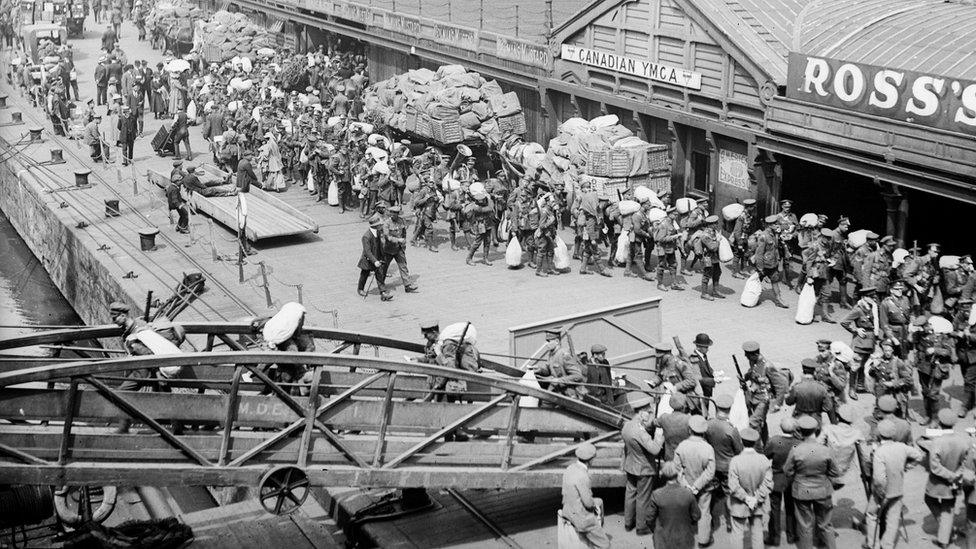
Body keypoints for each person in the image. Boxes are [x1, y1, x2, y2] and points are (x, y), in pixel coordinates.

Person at [784, 415, 841, 549]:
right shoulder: (826, 450)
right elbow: (835, 472)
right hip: (823, 490)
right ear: (816, 430)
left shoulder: (796, 450)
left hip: (802, 491)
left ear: (800, 431)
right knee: (826, 524)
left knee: (805, 526)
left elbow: (787, 471)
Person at [867, 419, 923, 549]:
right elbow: (919, 456)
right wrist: (908, 466)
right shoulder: (902, 447)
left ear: (880, 435)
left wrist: (879, 492)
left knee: (872, 516)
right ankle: (887, 545)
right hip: (897, 490)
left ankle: (873, 544)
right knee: (892, 519)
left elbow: (879, 478)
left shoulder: (879, 452)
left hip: (882, 492)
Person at [924, 409, 969, 549]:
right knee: (948, 507)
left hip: (937, 482)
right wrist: (956, 475)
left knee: (929, 500)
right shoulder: (963, 440)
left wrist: (950, 476)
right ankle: (945, 534)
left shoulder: (937, 441)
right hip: (955, 483)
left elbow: (935, 467)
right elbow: (965, 463)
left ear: (940, 423)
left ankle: (945, 531)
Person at [621, 396, 664, 536]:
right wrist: (659, 437)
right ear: (641, 413)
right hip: (643, 468)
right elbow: (655, 450)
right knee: (643, 497)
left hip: (630, 465)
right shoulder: (640, 431)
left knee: (630, 493)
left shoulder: (627, 425)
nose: (650, 414)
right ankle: (641, 526)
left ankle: (628, 523)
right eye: (648, 412)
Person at [728, 427, 773, 549]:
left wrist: (746, 498)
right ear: (755, 442)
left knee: (737, 533)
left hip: (739, 504)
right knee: (757, 533)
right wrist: (756, 498)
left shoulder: (735, 461)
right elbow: (768, 483)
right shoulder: (763, 460)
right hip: (757, 504)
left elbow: (733, 485)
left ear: (741, 441)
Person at [674, 415, 716, 546]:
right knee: (704, 511)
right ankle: (703, 540)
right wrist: (697, 486)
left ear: (689, 430)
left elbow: (677, 468)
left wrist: (686, 485)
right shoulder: (708, 448)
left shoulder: (681, 446)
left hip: (685, 486)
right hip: (703, 488)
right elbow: (710, 472)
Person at [704, 393, 743, 533]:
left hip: (713, 464)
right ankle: (729, 523)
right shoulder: (731, 429)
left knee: (712, 492)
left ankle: (712, 521)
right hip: (728, 466)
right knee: (728, 494)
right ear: (729, 409)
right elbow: (739, 450)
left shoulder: (708, 424)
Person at [560, 443, 610, 548]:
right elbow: (588, 503)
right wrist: (594, 506)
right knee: (606, 544)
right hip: (580, 517)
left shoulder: (570, 468)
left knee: (599, 501)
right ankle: (596, 529)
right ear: (590, 460)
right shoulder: (583, 476)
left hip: (568, 509)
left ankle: (597, 529)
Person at [764, 417, 800, 545]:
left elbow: (766, 455)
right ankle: (792, 535)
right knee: (791, 507)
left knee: (775, 508)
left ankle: (774, 537)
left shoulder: (774, 441)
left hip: (776, 478)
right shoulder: (798, 442)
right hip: (792, 479)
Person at [647, 460, 700, 549]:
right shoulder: (687, 493)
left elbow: (649, 518)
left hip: (662, 540)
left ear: (663, 475)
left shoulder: (657, 494)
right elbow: (696, 515)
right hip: (684, 539)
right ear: (678, 474)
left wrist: (656, 530)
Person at [841, 287, 881, 400]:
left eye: (874, 297)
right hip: (860, 342)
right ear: (863, 297)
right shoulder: (858, 309)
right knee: (855, 366)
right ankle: (852, 389)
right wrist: (855, 330)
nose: (873, 299)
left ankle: (860, 385)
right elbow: (844, 322)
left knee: (863, 364)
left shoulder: (872, 308)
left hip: (870, 341)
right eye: (870, 297)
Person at [533, 329, 585, 400]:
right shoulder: (551, 355)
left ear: (557, 341)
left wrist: (559, 380)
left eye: (549, 341)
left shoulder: (564, 356)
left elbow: (578, 376)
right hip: (555, 390)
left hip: (567, 394)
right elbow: (548, 370)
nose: (546, 344)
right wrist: (540, 369)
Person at [870, 339, 913, 418]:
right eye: (885, 350)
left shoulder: (898, 362)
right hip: (881, 395)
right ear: (883, 350)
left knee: (896, 418)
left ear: (893, 350)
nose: (887, 352)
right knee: (879, 417)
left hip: (894, 394)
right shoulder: (879, 360)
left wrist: (893, 383)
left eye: (889, 350)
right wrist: (873, 366)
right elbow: (871, 374)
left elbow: (908, 380)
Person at [380, 205, 418, 294]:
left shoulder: (401, 221)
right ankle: (381, 285)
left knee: (403, 266)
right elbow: (387, 237)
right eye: (393, 213)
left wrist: (403, 242)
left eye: (396, 213)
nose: (394, 215)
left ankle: (407, 286)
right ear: (390, 213)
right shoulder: (387, 223)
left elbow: (404, 232)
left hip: (399, 249)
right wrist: (398, 240)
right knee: (384, 268)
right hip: (388, 249)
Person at [754, 214, 789, 308]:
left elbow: (786, 226)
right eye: (775, 224)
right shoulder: (763, 236)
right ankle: (752, 298)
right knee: (756, 282)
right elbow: (759, 253)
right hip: (764, 264)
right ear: (769, 225)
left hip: (772, 264)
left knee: (775, 280)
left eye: (777, 223)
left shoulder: (774, 234)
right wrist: (760, 267)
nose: (777, 225)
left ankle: (779, 299)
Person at [742, 341, 774, 437]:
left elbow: (761, 383)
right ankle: (765, 442)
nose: (745, 356)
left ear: (755, 354)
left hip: (763, 399)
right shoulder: (753, 360)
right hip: (754, 397)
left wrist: (749, 389)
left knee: (753, 423)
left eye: (747, 355)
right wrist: (745, 377)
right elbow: (752, 372)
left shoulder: (766, 366)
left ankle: (757, 447)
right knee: (761, 421)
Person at [357, 214, 392, 301]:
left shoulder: (379, 232)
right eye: (380, 224)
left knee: (379, 274)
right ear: (375, 226)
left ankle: (383, 292)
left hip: (378, 257)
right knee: (364, 275)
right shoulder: (366, 236)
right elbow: (367, 251)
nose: (381, 225)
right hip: (368, 259)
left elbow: (381, 245)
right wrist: (374, 261)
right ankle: (360, 289)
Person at [786, 359, 830, 424]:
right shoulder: (822, 387)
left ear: (803, 371)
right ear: (814, 372)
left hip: (799, 417)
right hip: (816, 418)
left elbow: (789, 402)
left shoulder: (796, 387)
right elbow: (827, 407)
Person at [654, 207, 685, 291]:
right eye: (674, 214)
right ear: (670, 214)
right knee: (661, 266)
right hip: (663, 248)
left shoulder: (672, 223)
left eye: (676, 214)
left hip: (670, 248)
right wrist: (674, 236)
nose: (676, 216)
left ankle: (674, 283)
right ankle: (660, 284)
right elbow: (660, 239)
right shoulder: (664, 224)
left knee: (673, 265)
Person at [656, 392, 692, 461]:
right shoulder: (689, 420)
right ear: (684, 406)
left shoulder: (664, 418)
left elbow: (654, 423)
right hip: (685, 457)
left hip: (669, 457)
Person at [689, 333, 716, 415]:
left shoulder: (703, 355)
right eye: (706, 347)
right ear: (698, 347)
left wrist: (714, 373)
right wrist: (713, 380)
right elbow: (697, 379)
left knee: (705, 414)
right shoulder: (694, 358)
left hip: (706, 392)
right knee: (699, 415)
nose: (708, 349)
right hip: (700, 393)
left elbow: (707, 368)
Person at [698, 215, 724, 300]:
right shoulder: (705, 235)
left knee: (717, 272)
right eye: (715, 223)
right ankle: (704, 293)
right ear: (710, 224)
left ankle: (715, 291)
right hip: (707, 258)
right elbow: (713, 247)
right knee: (707, 275)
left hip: (714, 258)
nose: (717, 225)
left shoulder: (713, 232)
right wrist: (718, 240)